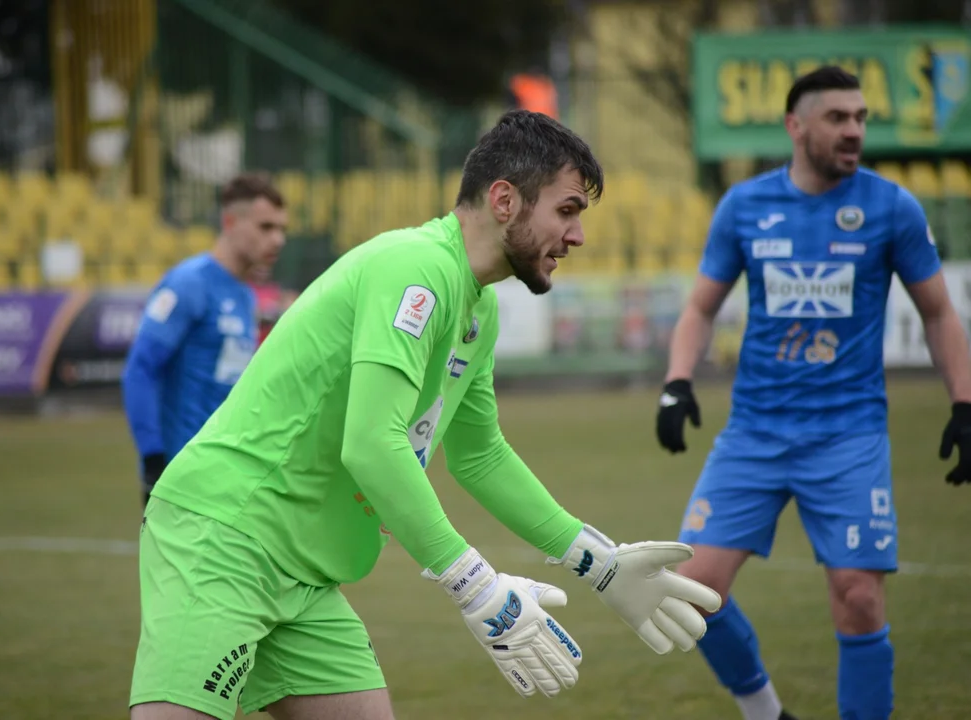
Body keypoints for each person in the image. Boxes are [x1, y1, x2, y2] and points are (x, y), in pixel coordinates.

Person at [129, 109, 722, 720]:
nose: (577, 236)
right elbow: (370, 444)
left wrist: (596, 563)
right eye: (567, 210)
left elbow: (479, 455)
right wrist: (477, 586)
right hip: (224, 539)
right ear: (504, 200)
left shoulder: (477, 307)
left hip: (303, 574)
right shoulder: (416, 268)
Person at [655, 66, 971, 720]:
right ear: (796, 127)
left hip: (848, 437)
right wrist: (676, 384)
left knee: (859, 599)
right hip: (755, 434)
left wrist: (964, 404)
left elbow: (939, 313)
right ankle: (768, 715)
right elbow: (699, 309)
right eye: (838, 118)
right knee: (689, 594)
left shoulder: (891, 208)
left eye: (860, 118)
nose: (854, 130)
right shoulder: (744, 207)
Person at [121, 173, 288, 507]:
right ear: (229, 221)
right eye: (265, 227)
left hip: (225, 473)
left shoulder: (244, 296)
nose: (278, 240)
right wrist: (153, 461)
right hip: (182, 474)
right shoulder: (189, 283)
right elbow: (140, 370)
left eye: (282, 229)